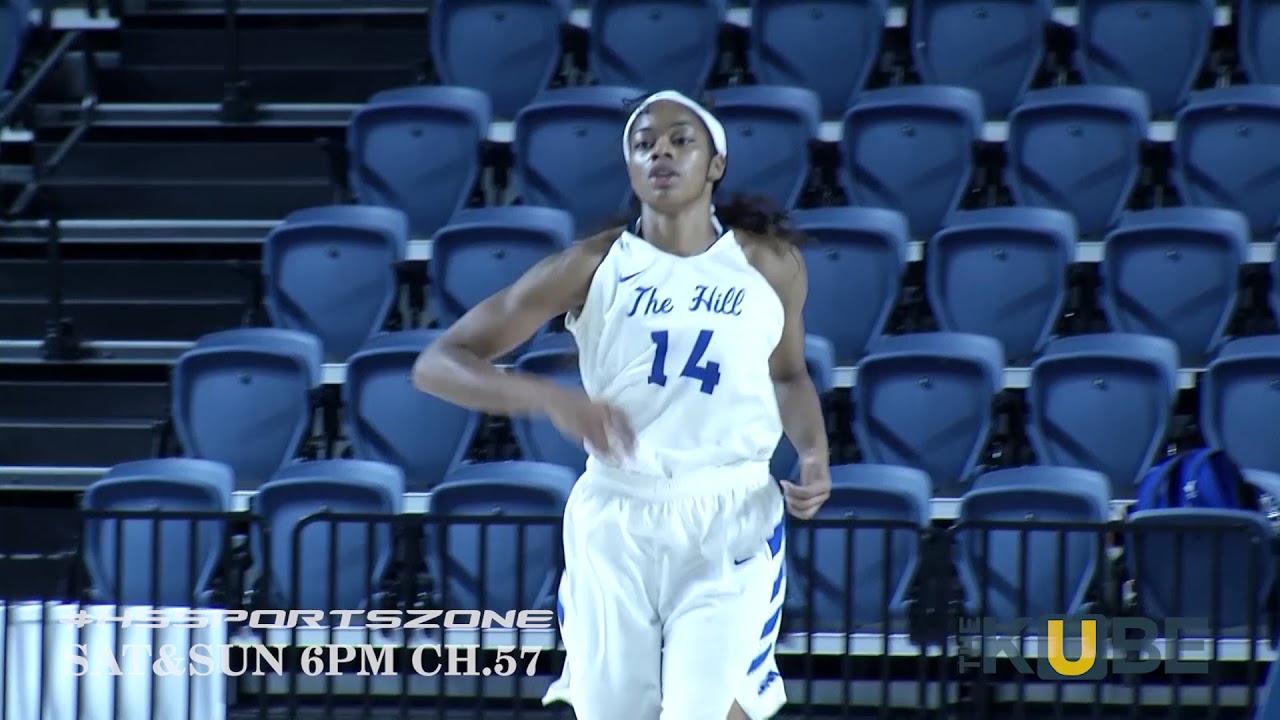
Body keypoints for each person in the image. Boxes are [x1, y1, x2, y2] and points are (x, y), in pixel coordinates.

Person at [412, 89, 832, 720]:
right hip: (617, 514)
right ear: (631, 168)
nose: (659, 150)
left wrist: (814, 450)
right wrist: (547, 397)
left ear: (715, 163)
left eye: (680, 140)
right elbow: (437, 364)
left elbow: (790, 374)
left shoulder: (771, 266)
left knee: (711, 710)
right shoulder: (592, 265)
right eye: (643, 143)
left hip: (731, 511)